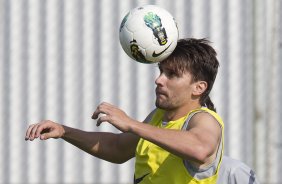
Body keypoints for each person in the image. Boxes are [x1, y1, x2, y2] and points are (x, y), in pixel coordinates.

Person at [25, 38, 256, 183]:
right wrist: (64, 131)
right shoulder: (156, 119)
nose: (159, 80)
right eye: (161, 71)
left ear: (199, 88)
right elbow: (117, 149)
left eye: (172, 75)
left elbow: (200, 148)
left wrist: (132, 124)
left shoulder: (204, 119)